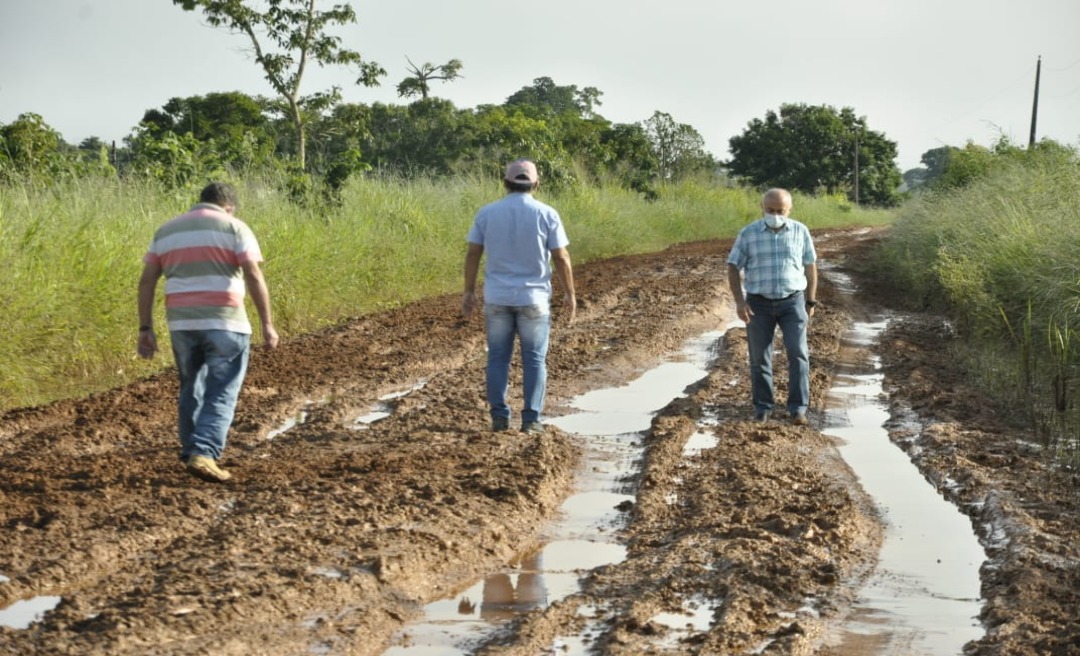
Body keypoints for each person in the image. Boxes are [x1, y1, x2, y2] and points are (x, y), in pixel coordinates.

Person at [137, 182, 279, 482]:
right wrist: (267, 323)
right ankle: (204, 451)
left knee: (192, 386)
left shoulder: (167, 231)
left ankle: (192, 451)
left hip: (181, 323)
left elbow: (147, 281)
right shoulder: (235, 227)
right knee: (223, 388)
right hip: (225, 321)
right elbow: (253, 274)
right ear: (229, 206)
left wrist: (145, 327)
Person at [462, 159, 576, 434]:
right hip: (534, 300)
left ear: (505, 183)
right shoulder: (547, 213)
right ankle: (531, 420)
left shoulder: (487, 213)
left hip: (497, 298)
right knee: (535, 359)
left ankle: (499, 417)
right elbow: (560, 256)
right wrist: (570, 294)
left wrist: (468, 291)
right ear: (536, 184)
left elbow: (473, 253)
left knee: (498, 358)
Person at [726, 188, 818, 425]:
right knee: (759, 358)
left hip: (793, 302)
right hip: (758, 304)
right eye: (770, 210)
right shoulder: (748, 234)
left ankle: (798, 408)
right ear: (762, 208)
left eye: (780, 211)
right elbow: (733, 266)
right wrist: (739, 301)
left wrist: (810, 300)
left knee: (798, 354)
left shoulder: (800, 231)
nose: (775, 215)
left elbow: (810, 266)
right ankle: (763, 407)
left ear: (789, 210)